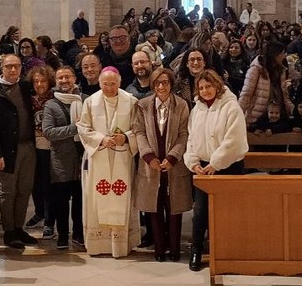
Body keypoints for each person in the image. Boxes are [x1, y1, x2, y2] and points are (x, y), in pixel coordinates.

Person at [184, 70, 248, 272]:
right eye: (201, 88)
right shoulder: (197, 110)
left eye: (208, 86)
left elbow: (234, 140)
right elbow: (191, 139)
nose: (205, 91)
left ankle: (228, 251)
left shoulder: (231, 106)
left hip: (227, 166)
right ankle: (196, 250)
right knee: (200, 212)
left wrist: (216, 163)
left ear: (217, 85)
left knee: (227, 212)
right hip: (203, 168)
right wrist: (193, 162)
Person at [77, 67, 140, 258]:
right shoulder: (90, 101)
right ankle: (98, 245)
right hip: (99, 158)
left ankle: (121, 245)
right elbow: (83, 127)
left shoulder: (131, 101)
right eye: (106, 84)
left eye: (113, 83)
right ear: (99, 82)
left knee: (122, 194)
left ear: (120, 82)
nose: (109, 87)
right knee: (97, 197)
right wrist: (100, 139)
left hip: (122, 157)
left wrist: (127, 138)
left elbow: (139, 128)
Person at [132, 68, 192, 263]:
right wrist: (149, 156)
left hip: (174, 165)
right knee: (154, 208)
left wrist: (173, 157)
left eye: (165, 82)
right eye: (157, 83)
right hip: (151, 165)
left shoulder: (181, 105)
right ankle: (159, 248)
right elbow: (139, 132)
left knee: (174, 208)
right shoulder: (142, 105)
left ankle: (174, 249)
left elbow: (184, 133)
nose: (161, 87)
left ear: (171, 84)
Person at [0, 53, 38, 250]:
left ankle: (19, 227)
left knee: (24, 190)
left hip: (27, 146)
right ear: (1, 68)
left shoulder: (24, 86)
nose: (13, 70)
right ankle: (9, 231)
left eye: (16, 66)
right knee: (8, 191)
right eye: (9, 67)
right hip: (7, 150)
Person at [42, 66, 86, 250]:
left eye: (67, 77)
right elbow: (48, 132)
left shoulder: (85, 100)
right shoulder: (51, 104)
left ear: (74, 78)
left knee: (80, 200)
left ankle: (79, 233)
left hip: (83, 157)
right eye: (60, 78)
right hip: (61, 159)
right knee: (60, 201)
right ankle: (62, 235)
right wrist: (75, 128)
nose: (64, 81)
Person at [25, 65, 56, 240]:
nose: (39, 84)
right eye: (36, 81)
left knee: (48, 185)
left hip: (50, 147)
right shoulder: (28, 99)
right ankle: (39, 212)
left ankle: (49, 221)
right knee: (35, 183)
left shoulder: (55, 97)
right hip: (33, 146)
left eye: (42, 80)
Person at [239, 41, 293, 128]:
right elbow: (246, 94)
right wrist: (238, 116)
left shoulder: (281, 70)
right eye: (282, 53)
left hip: (277, 117)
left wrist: (292, 110)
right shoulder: (256, 70)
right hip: (257, 117)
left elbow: (284, 95)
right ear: (275, 55)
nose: (284, 56)